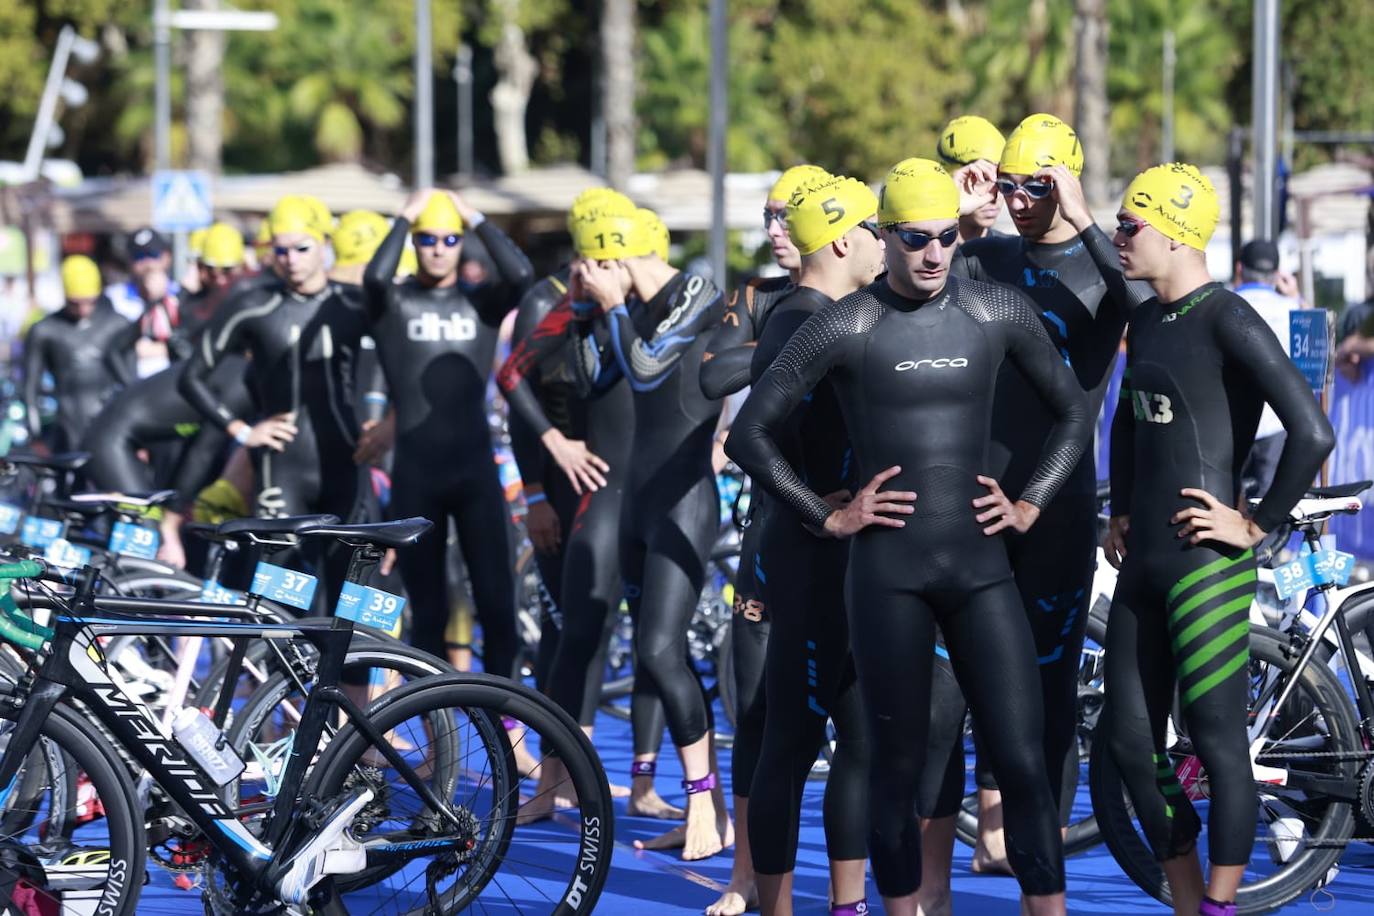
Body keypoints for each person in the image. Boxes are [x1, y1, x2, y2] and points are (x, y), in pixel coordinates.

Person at [727, 158, 1089, 916]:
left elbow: (1073, 412)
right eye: (916, 238)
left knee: (1022, 761)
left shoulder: (995, 311)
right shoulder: (848, 322)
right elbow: (749, 433)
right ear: (884, 238)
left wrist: (1028, 504)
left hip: (981, 570)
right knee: (893, 763)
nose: (933, 254)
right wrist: (826, 514)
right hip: (886, 575)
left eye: (948, 238)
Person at [1098, 164, 1334, 916]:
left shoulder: (1227, 316)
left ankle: (1220, 907)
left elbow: (1312, 430)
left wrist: (1256, 522)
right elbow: (1132, 423)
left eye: (1130, 225)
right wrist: (1121, 510)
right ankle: (1187, 897)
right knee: (1131, 744)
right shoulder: (1144, 321)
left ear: (1175, 231)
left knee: (1216, 740)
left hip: (1208, 565)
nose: (1118, 236)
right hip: (1144, 563)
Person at [918, 113, 1136, 896]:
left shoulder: (1100, 270)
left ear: (1067, 182)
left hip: (1055, 510)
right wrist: (959, 209)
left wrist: (1081, 216)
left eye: (1033, 186)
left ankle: (1042, 894)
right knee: (939, 709)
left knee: (1043, 715)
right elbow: (902, 262)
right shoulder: (987, 256)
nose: (1017, 199)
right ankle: (931, 895)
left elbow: (1147, 309)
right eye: (1006, 183)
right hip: (972, 509)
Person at [740, 174, 885, 916]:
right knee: (792, 744)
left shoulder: (824, 311)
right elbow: (751, 441)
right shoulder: (802, 317)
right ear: (842, 239)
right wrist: (820, 513)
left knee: (858, 739)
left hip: (847, 564)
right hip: (813, 561)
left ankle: (847, 905)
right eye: (879, 232)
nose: (887, 245)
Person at [569, 199, 730, 860]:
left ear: (610, 255)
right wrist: (588, 310)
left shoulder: (695, 290)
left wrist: (608, 307)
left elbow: (648, 367)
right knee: (654, 655)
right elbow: (590, 378)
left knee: (665, 650)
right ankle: (707, 808)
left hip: (686, 499)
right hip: (639, 499)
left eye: (593, 263)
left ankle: (703, 805)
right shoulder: (623, 308)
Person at [696, 162, 829, 916]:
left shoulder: (860, 295)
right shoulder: (758, 298)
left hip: (844, 522)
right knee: (754, 703)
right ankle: (745, 874)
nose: (779, 232)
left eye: (792, 218)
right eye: (772, 217)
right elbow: (714, 378)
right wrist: (795, 343)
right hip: (771, 519)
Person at [497, 193, 649, 822]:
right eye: (586, 256)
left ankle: (633, 782)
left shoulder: (651, 309)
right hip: (575, 495)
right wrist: (540, 481)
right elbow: (512, 380)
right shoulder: (557, 305)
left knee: (646, 643)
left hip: (644, 496)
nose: (590, 269)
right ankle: (551, 777)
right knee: (572, 633)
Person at [361, 188, 532, 680]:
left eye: (449, 238)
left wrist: (474, 215)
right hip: (417, 474)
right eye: (427, 239)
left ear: (462, 243)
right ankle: (439, 742)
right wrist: (403, 216)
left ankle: (506, 728)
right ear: (414, 243)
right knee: (428, 616)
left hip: (475, 472)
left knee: (499, 609)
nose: (438, 247)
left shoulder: (480, 303)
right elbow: (374, 275)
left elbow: (520, 273)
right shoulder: (393, 301)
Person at [179, 195, 374, 601]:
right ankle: (275, 668)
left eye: (302, 248)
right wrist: (242, 430)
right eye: (280, 250)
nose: (290, 260)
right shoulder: (255, 305)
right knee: (277, 602)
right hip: (283, 466)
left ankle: (350, 667)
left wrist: (384, 421)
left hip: (347, 462)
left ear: (325, 245)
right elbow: (192, 377)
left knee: (352, 602)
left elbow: (397, 368)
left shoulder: (353, 304)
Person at [83, 226, 253, 566]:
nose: (220, 279)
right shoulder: (178, 303)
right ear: (199, 267)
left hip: (185, 419)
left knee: (183, 520)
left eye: (228, 271)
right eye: (211, 269)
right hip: (163, 422)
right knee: (153, 537)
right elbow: (116, 350)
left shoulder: (234, 304)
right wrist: (129, 396)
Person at [24, 255, 136, 452]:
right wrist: (37, 436)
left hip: (110, 422)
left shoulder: (117, 325)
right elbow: (30, 387)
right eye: (75, 303)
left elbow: (131, 382)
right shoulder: (45, 330)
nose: (83, 309)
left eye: (89, 301)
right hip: (66, 425)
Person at [1232, 239, 1302, 498]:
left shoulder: (1224, 303)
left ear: (1240, 268)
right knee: (1267, 505)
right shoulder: (1291, 307)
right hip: (1276, 420)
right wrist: (1296, 296)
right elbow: (1319, 334)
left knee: (1227, 502)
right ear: (1276, 274)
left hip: (1231, 419)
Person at [104, 227, 182, 377]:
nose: (147, 263)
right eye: (139, 256)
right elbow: (110, 346)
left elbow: (185, 345)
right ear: (129, 261)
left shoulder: (181, 295)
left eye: (153, 255)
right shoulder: (112, 298)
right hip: (131, 386)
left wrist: (160, 298)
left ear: (167, 258)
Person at [936, 115, 1006, 245]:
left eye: (1003, 181)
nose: (995, 196)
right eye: (982, 179)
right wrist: (950, 209)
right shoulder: (921, 253)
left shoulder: (1013, 253)